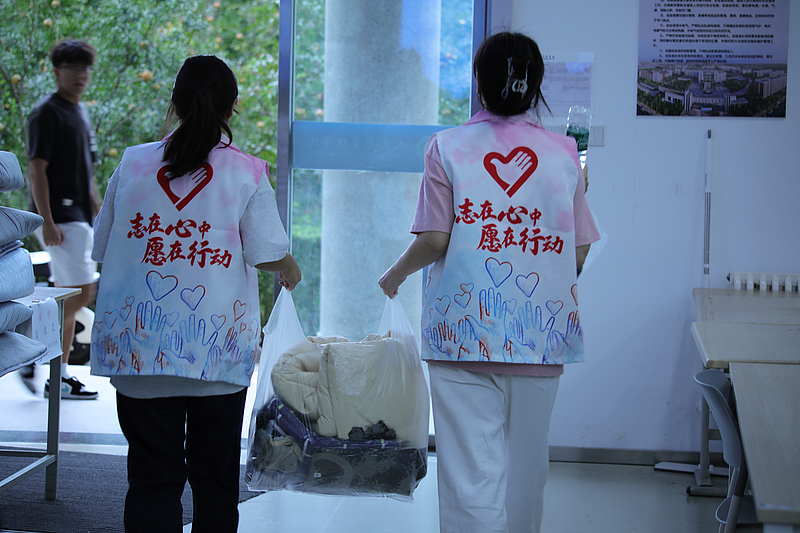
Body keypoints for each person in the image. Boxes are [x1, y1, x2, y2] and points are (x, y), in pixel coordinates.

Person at [379, 32, 601, 533]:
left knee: (470, 476)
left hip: (462, 337)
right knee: (526, 473)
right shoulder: (566, 155)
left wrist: (394, 275)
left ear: (479, 81)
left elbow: (435, 240)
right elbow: (579, 250)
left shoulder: (447, 147)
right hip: (541, 339)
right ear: (536, 86)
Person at [89, 55, 301, 533]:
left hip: (140, 355)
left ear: (175, 104)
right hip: (216, 359)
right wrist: (290, 267)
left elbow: (102, 246)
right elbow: (267, 252)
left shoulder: (133, 162)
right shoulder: (246, 172)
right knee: (216, 481)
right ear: (232, 107)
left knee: (152, 479)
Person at [25, 39, 101, 399]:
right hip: (59, 218)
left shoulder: (80, 111)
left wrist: (99, 211)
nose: (80, 75)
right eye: (72, 68)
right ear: (56, 72)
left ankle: (58, 375)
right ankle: (29, 345)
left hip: (79, 216)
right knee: (82, 293)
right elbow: (36, 170)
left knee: (70, 295)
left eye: (85, 68)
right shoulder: (46, 113)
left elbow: (87, 172)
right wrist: (46, 219)